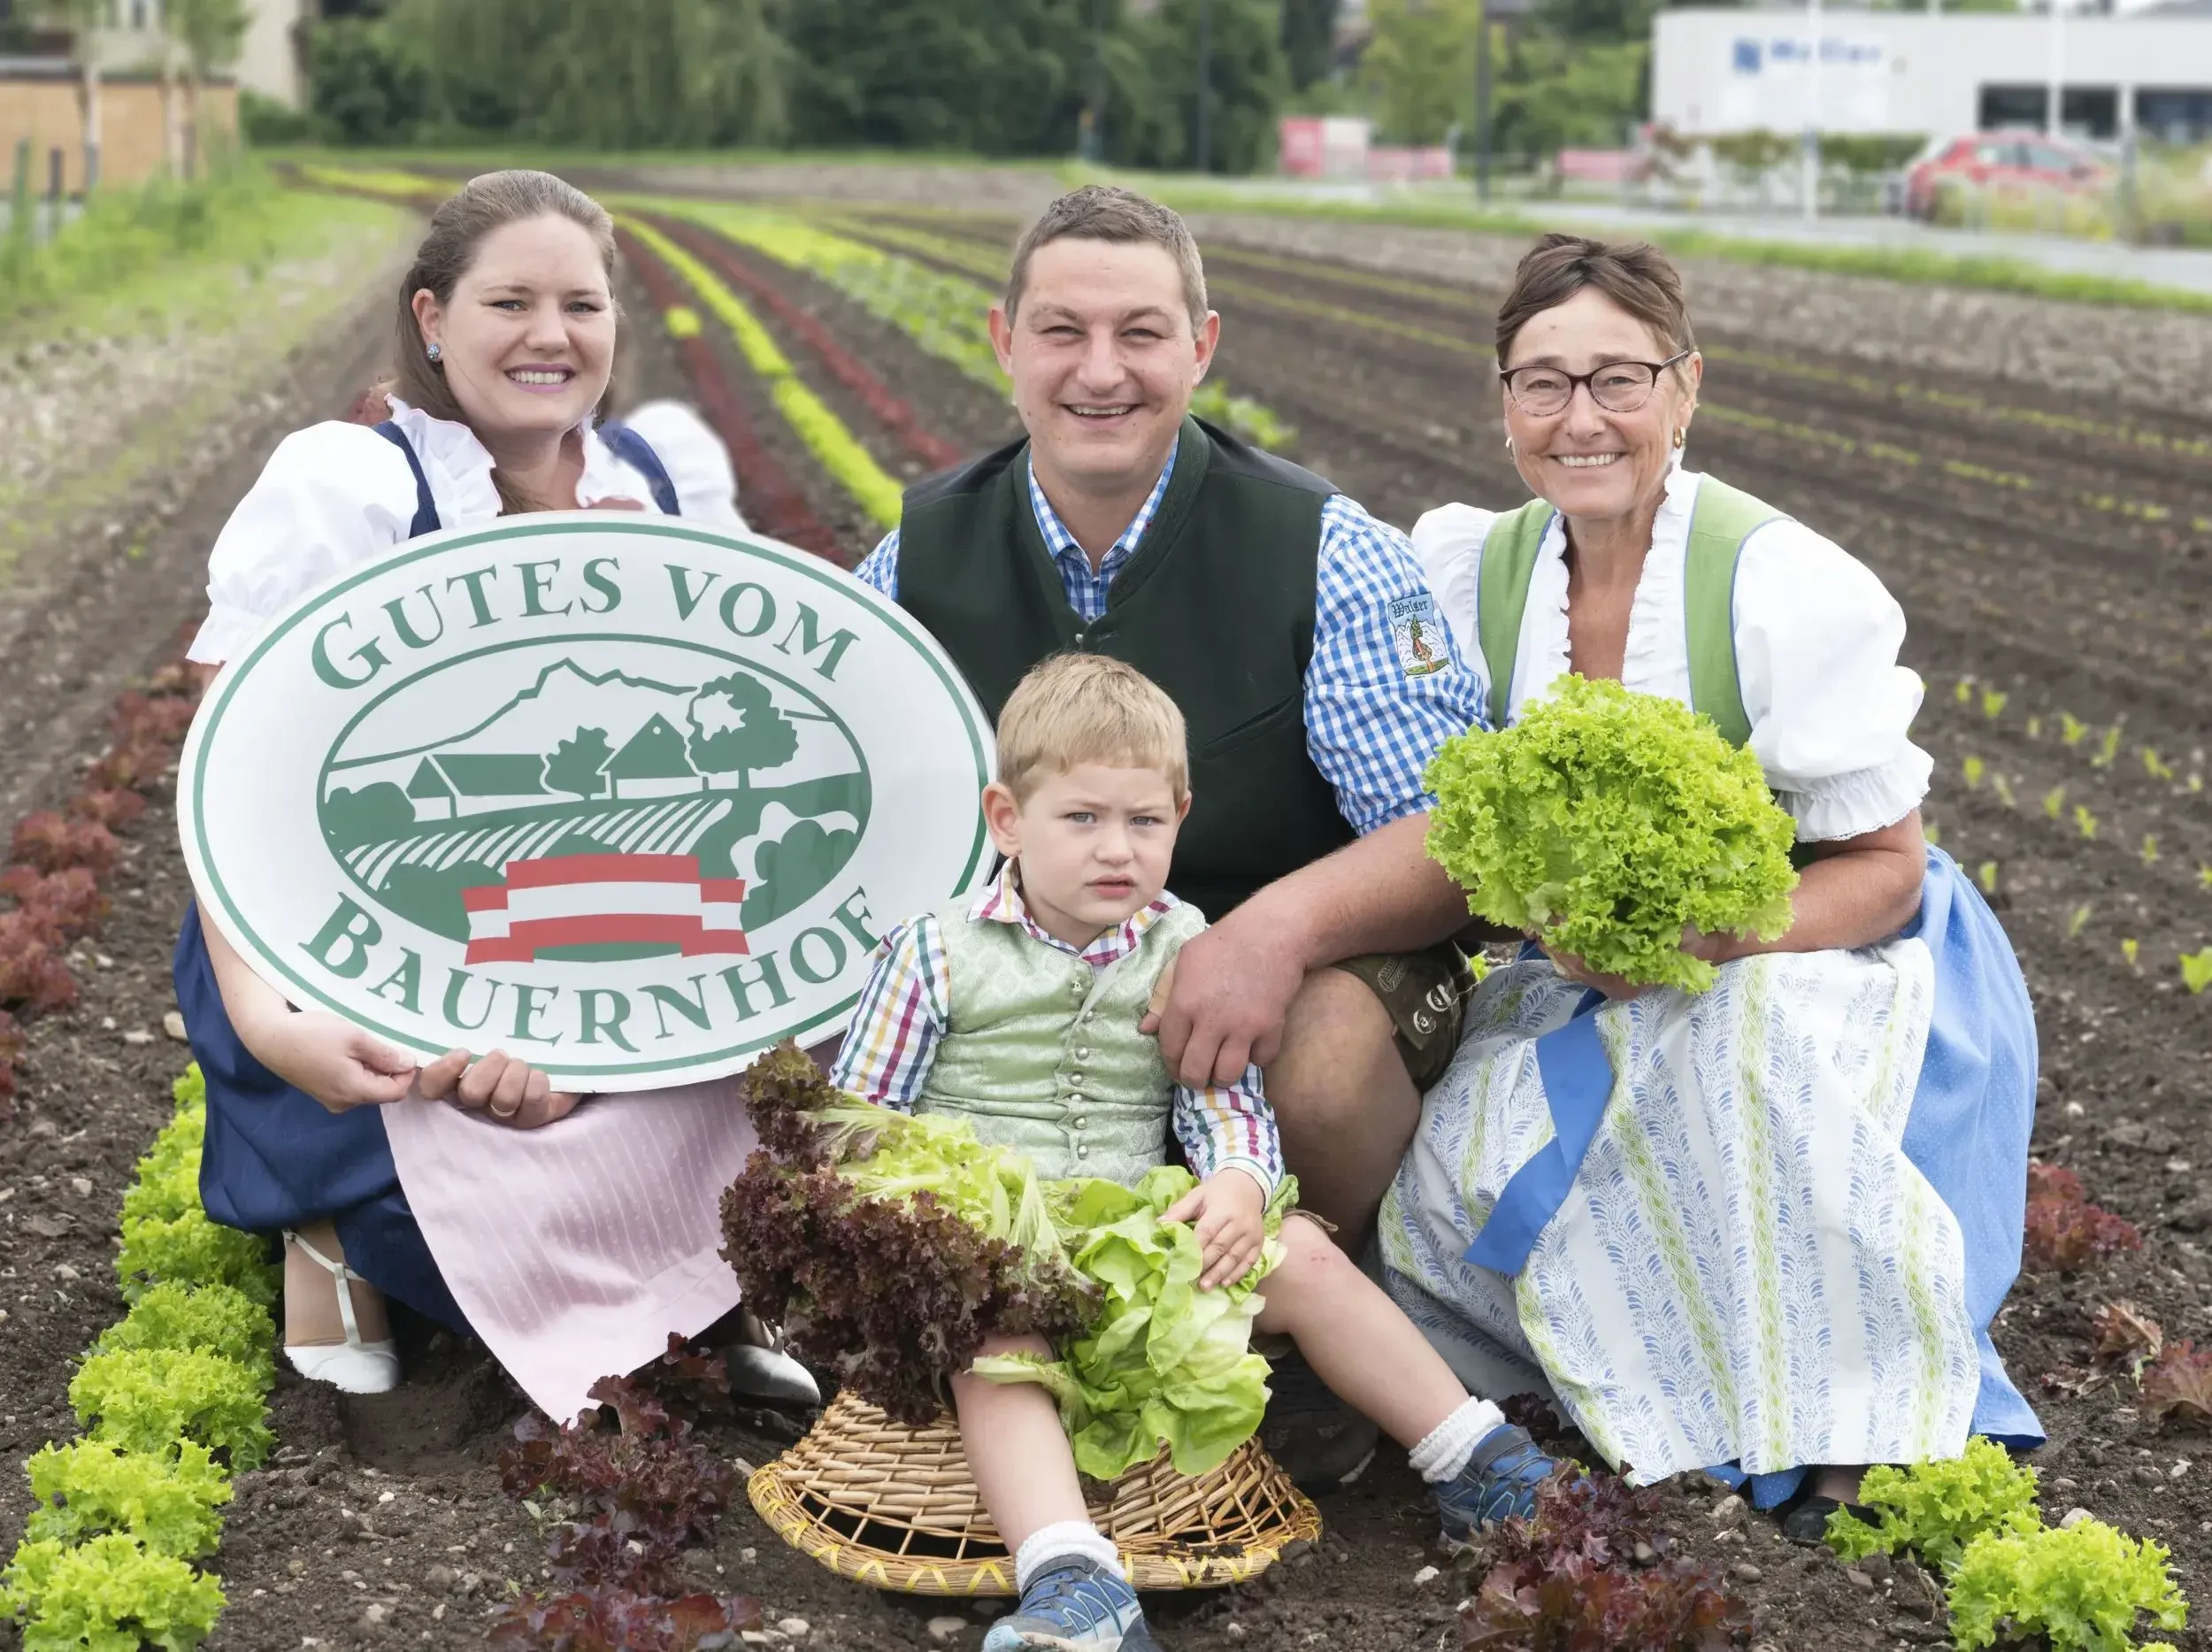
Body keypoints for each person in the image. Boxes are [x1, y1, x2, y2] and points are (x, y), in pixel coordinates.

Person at [1384, 234, 2040, 1541]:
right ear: (1503, 397)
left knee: (1740, 1053)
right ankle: (1654, 1383)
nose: (1581, 419)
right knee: (1449, 1175)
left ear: (1686, 388)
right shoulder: (1473, 569)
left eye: (1619, 379)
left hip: (1821, 945)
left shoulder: (1780, 583)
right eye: (1542, 383)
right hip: (1584, 972)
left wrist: (1711, 934)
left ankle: (1847, 1428)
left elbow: (1888, 869)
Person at [852, 185, 1490, 1485]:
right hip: (1026, 984)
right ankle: (991, 1347)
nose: (1101, 370)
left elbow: (1453, 837)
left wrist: (1271, 929)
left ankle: (1309, 1325)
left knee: (1315, 1057)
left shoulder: (1322, 550)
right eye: (1062, 331)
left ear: (1202, 346)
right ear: (1003, 341)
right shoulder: (911, 564)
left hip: (1286, 978)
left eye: (1142, 333)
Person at [174, 168, 812, 1414]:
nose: (549, 336)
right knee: (432, 1116)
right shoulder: (349, 484)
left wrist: (612, 1023)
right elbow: (227, 788)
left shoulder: (658, 482)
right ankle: (333, 1237)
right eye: (507, 302)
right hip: (357, 926)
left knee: (721, 1064)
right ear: (430, 319)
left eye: (581, 303)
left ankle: (686, 1302)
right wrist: (266, 1022)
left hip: (594, 921)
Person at [832, 653, 1557, 1652]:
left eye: (1144, 822)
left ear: (1180, 814)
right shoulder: (932, 951)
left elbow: (1228, 1109)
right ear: (1007, 819)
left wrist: (1236, 1181)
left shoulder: (1185, 945)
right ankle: (1072, 1580)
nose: (1114, 850)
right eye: (1080, 819)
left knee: (1300, 1249)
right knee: (995, 1345)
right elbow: (860, 1122)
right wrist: (915, 1234)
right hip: (989, 1251)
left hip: (1135, 1236)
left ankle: (1477, 1460)